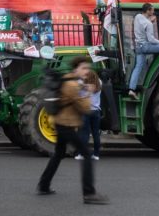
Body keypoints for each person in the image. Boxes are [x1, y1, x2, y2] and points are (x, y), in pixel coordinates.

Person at [37, 55, 109, 205]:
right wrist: (88, 92)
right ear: (76, 69)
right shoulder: (72, 85)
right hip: (66, 125)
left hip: (62, 123)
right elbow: (85, 108)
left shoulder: (69, 79)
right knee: (87, 155)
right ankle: (89, 193)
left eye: (88, 68)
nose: (87, 71)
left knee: (58, 154)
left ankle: (43, 185)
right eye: (84, 68)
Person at [77, 68, 103, 161]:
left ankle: (81, 154)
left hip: (86, 111)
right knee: (96, 133)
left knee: (85, 133)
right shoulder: (99, 82)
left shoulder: (81, 84)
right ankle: (96, 155)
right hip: (96, 111)